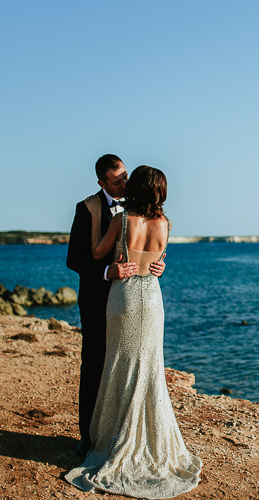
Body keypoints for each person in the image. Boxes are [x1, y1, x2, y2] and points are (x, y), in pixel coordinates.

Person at [65, 166, 202, 499]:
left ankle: (112, 438)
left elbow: (97, 253)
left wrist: (104, 229)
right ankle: (151, 440)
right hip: (153, 300)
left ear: (136, 187)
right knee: (150, 369)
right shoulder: (166, 224)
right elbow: (158, 259)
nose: (123, 184)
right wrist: (158, 263)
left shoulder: (122, 220)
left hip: (124, 296)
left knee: (120, 366)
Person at [66, 154, 165, 457]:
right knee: (95, 365)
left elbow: (153, 251)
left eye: (125, 177)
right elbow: (75, 258)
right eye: (117, 181)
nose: (124, 183)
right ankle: (88, 436)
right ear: (101, 183)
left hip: (131, 301)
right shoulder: (87, 208)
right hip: (98, 300)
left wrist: (158, 265)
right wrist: (109, 272)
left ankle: (121, 435)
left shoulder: (137, 211)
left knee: (127, 366)